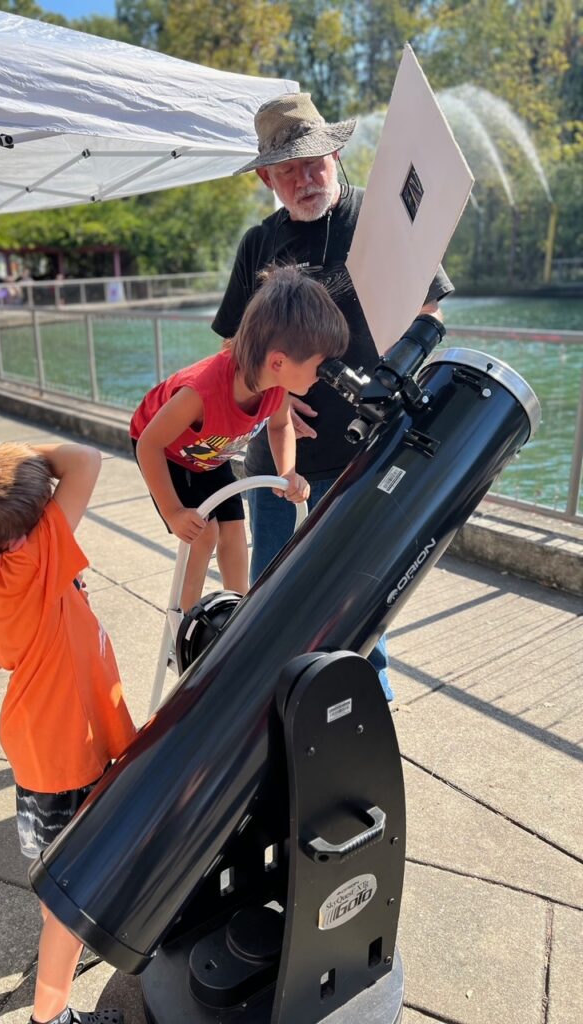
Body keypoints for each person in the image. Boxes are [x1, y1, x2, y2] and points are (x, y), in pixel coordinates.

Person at [213, 93, 455, 700]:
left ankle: (369, 707)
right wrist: (271, 394)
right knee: (270, 591)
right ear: (267, 176)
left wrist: (391, 378)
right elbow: (230, 350)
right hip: (276, 459)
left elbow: (431, 312)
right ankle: (270, 707)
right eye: (286, 169)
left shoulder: (383, 221)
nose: (303, 178)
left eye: (313, 162)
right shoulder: (257, 244)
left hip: (363, 451)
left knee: (359, 588)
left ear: (337, 152)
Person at [0, 441, 135, 1024]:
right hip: (68, 753)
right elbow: (85, 460)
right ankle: (50, 1017)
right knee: (66, 906)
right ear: (26, 532)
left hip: (44, 747)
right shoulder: (35, 552)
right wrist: (17, 455)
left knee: (67, 884)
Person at [131, 264, 349, 612]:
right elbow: (149, 445)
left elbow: (280, 427)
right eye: (319, 365)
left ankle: (239, 615)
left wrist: (288, 471)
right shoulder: (200, 393)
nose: (322, 376)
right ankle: (186, 624)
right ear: (279, 361)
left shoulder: (276, 387)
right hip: (167, 450)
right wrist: (173, 511)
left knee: (234, 532)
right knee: (202, 534)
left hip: (210, 451)